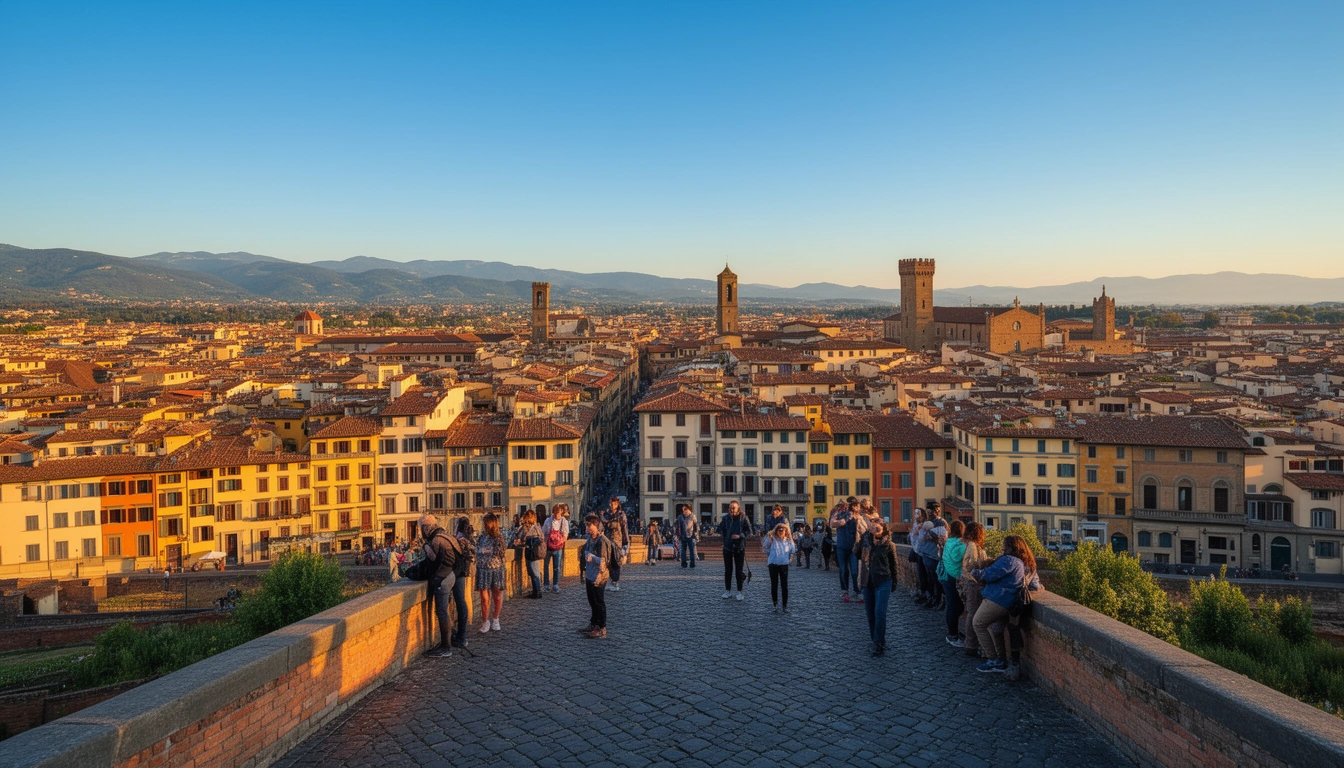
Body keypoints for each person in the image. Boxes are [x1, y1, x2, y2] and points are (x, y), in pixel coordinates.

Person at [970, 534, 1039, 673]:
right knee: (996, 628)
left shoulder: (1009, 561)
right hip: (1011, 603)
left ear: (1010, 547)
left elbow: (987, 575)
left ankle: (993, 659)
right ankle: (1001, 660)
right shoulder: (1025, 564)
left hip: (998, 599)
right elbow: (1036, 586)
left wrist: (972, 571)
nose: (1002, 547)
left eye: (1004, 545)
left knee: (978, 623)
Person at [403, 513, 463, 657]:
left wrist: (425, 546)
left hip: (442, 579)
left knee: (442, 612)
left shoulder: (436, 540)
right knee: (445, 611)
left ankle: (446, 647)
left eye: (421, 528)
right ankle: (446, 642)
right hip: (452, 575)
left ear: (426, 527)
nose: (421, 532)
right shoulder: (446, 536)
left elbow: (433, 559)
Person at [855, 520, 898, 657]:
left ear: (884, 529)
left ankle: (879, 642)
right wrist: (860, 540)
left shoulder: (888, 545)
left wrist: (894, 582)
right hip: (867, 581)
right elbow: (856, 555)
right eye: (873, 526)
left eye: (878, 526)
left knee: (880, 612)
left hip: (884, 580)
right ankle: (876, 638)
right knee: (870, 614)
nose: (875, 528)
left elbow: (894, 565)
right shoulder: (865, 540)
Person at [578, 513, 620, 639]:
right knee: (592, 601)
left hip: (599, 577)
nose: (586, 528)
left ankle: (602, 627)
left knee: (598, 602)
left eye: (588, 525)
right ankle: (594, 623)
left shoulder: (602, 541)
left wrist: (592, 558)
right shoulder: (590, 539)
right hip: (590, 575)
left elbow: (603, 561)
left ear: (594, 526)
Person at [958, 521, 988, 659]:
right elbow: (973, 565)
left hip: (970, 582)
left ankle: (970, 643)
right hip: (973, 583)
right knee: (973, 612)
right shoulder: (972, 546)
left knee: (972, 612)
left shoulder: (969, 544)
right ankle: (971, 644)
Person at [475, 512, 507, 633]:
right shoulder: (482, 537)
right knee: (484, 597)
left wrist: (485, 550)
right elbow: (477, 550)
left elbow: (501, 551)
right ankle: (485, 621)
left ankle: (495, 619)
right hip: (483, 569)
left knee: (497, 595)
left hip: (496, 569)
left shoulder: (499, 537)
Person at [716, 501, 753, 601]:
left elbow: (749, 531)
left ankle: (739, 591)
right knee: (728, 570)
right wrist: (723, 535)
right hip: (727, 546)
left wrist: (740, 536)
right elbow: (720, 528)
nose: (732, 510)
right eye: (730, 508)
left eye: (734, 508)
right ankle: (727, 591)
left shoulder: (743, 518)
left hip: (739, 547)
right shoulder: (725, 518)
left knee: (738, 570)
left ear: (738, 508)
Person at [939, 520, 967, 646]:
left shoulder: (949, 542)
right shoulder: (962, 545)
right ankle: (953, 635)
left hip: (945, 575)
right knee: (955, 606)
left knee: (953, 605)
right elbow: (959, 559)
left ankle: (953, 633)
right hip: (953, 577)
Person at [450, 517, 475, 647]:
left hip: (459, 571)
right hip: (466, 570)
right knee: (463, 601)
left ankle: (461, 635)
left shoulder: (460, 539)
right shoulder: (469, 539)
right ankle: (462, 631)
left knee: (461, 601)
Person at [829, 501, 860, 602]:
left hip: (853, 547)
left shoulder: (856, 517)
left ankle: (857, 590)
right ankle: (845, 591)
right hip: (841, 546)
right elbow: (832, 524)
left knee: (854, 571)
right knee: (843, 570)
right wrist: (843, 520)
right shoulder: (837, 515)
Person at [511, 509, 544, 598]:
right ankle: (537, 591)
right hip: (536, 551)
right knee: (535, 571)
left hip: (531, 552)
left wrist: (519, 525)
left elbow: (517, 536)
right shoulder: (537, 526)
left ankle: (536, 592)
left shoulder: (527, 527)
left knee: (533, 572)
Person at [763, 523, 795, 613]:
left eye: (782, 531)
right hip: (773, 564)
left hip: (784, 565)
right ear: (776, 531)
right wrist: (771, 554)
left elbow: (793, 550)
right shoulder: (772, 539)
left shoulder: (788, 541)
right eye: (779, 531)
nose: (781, 532)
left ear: (785, 532)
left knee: (784, 586)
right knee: (774, 585)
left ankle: (785, 605)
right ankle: (775, 604)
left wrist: (789, 560)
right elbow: (765, 548)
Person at [601, 496, 630, 591]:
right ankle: (612, 581)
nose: (611, 505)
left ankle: (615, 582)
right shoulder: (607, 514)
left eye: (613, 504)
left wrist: (626, 542)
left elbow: (624, 529)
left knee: (616, 561)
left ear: (617, 504)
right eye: (610, 503)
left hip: (617, 541)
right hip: (608, 540)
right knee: (609, 561)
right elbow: (603, 525)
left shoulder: (621, 515)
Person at [543, 504, 569, 593]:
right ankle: (546, 585)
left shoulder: (564, 521)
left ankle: (555, 584)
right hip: (548, 547)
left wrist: (558, 541)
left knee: (556, 567)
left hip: (558, 548)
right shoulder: (548, 521)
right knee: (546, 566)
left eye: (559, 514)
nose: (557, 516)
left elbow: (565, 535)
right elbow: (544, 533)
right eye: (556, 513)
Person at [676, 504, 698, 568]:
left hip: (691, 536)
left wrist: (695, 534)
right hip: (682, 536)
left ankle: (692, 563)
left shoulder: (692, 516)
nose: (684, 511)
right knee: (683, 551)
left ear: (689, 509)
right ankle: (684, 563)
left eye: (685, 509)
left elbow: (696, 525)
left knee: (692, 550)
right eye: (683, 509)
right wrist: (678, 535)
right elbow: (678, 526)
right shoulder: (680, 517)